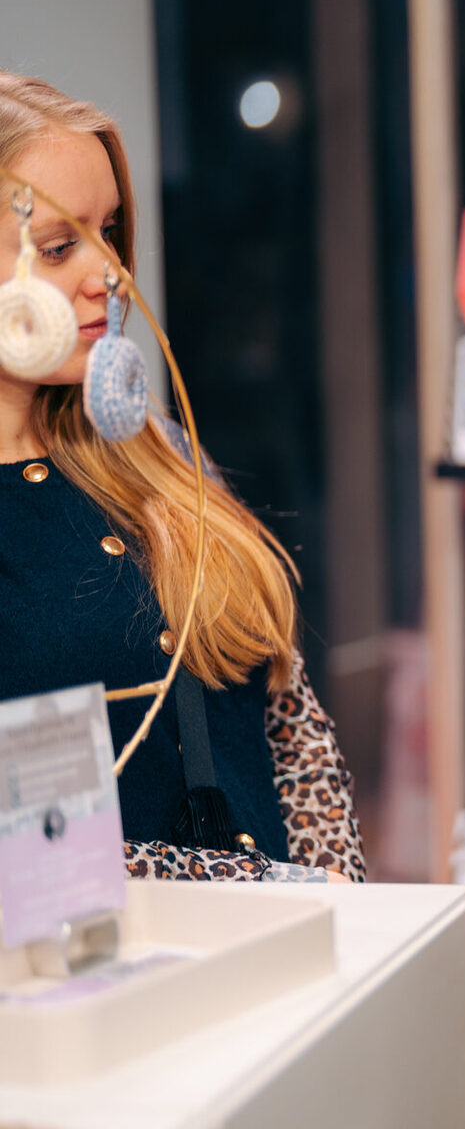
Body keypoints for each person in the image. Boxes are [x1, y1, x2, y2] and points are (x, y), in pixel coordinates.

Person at [0, 71, 363, 883]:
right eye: (59, 246)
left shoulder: (159, 451)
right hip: (105, 963)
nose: (108, 272)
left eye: (109, 231)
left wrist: (335, 889)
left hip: (289, 946)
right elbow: (23, 859)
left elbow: (289, 720)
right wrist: (261, 892)